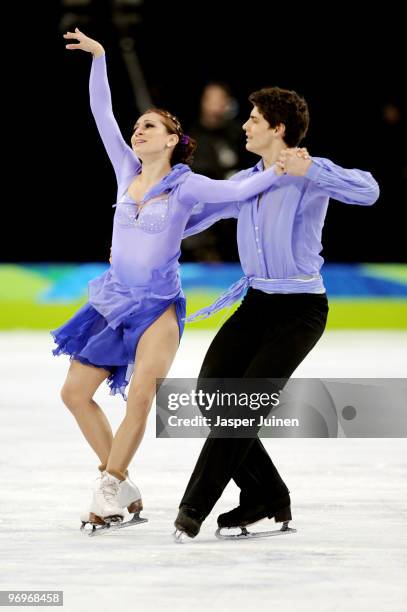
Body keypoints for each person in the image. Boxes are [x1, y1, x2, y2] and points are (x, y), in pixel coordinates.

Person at [52, 29, 285, 528]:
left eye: (150, 126)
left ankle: (109, 488)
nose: (138, 131)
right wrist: (99, 58)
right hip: (114, 301)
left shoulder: (186, 186)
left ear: (173, 140)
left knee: (140, 398)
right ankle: (122, 478)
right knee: (74, 393)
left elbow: (237, 192)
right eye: (137, 125)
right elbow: (101, 113)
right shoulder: (124, 170)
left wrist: (279, 167)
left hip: (157, 307)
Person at [174, 86, 380, 538]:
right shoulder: (249, 179)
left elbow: (368, 191)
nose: (244, 125)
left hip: (300, 310)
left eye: (253, 119)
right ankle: (267, 494)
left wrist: (313, 171)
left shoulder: (310, 169)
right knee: (212, 394)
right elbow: (203, 213)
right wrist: (150, 230)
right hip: (257, 304)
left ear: (278, 128)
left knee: (243, 406)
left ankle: (193, 508)